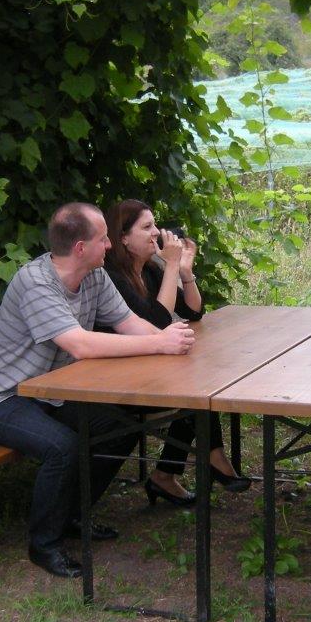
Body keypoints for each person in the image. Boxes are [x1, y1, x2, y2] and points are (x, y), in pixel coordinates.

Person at [0, 202, 196, 578]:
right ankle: (44, 545)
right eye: (104, 239)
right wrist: (159, 343)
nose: (110, 245)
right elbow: (80, 344)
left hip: (46, 390)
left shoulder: (95, 275)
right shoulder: (35, 283)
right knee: (62, 447)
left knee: (121, 424)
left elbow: (130, 323)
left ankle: (71, 515)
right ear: (81, 248)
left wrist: (173, 342)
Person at [102, 199, 250, 505]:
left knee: (199, 384)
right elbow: (156, 321)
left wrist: (184, 271)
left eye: (155, 225)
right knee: (194, 391)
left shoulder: (148, 271)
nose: (157, 232)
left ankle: (168, 474)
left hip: (145, 364)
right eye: (147, 227)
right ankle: (200, 464)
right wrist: (169, 265)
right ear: (123, 238)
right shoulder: (113, 278)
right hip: (115, 377)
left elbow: (193, 312)